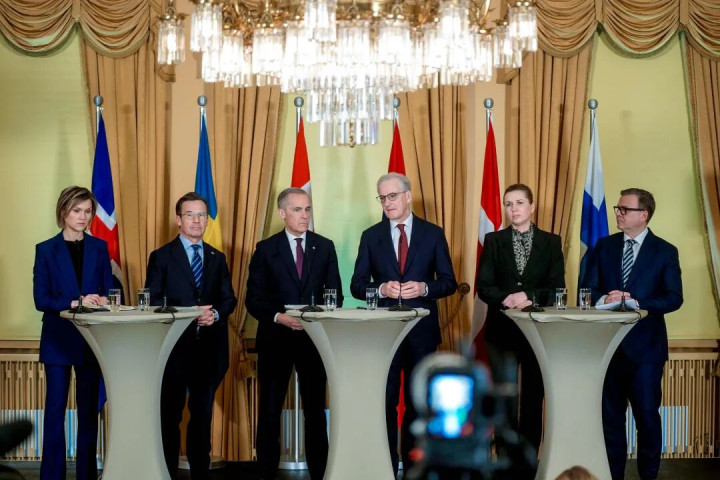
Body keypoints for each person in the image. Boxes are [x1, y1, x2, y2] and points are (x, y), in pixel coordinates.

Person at [350, 173, 458, 475]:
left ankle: (413, 469)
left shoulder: (433, 234)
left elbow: (448, 282)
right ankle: (385, 466)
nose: (387, 203)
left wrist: (424, 288)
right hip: (383, 334)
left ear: (408, 196)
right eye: (382, 198)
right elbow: (357, 285)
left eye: (392, 196)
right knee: (385, 402)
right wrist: (381, 289)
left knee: (417, 403)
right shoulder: (371, 236)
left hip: (421, 334)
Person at [583, 188, 682, 480]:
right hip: (607, 349)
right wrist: (606, 299)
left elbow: (673, 298)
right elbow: (587, 290)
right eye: (618, 208)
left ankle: (648, 476)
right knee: (610, 422)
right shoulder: (604, 246)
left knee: (647, 419)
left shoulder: (665, 251)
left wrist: (636, 302)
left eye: (625, 209)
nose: (618, 213)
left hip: (646, 352)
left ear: (644, 215)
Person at [245, 187, 343, 480]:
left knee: (315, 412)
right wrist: (280, 317)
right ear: (282, 213)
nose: (304, 215)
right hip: (276, 339)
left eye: (307, 209)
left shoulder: (324, 247)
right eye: (297, 209)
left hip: (313, 340)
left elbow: (335, 296)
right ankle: (265, 473)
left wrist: (314, 316)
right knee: (269, 410)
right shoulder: (266, 249)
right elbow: (253, 299)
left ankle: (321, 473)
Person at [145, 192, 237, 480]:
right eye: (190, 215)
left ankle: (200, 474)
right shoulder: (161, 256)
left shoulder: (217, 257)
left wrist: (215, 314)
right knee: (169, 418)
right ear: (178, 219)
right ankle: (167, 474)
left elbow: (229, 299)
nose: (197, 220)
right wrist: (188, 313)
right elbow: (152, 302)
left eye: (201, 215)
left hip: (208, 351)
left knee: (202, 418)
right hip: (174, 350)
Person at [475, 183, 565, 470]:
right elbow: (484, 286)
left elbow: (557, 289)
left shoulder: (551, 242)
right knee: (505, 397)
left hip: (537, 331)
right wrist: (507, 299)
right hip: (501, 332)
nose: (513, 209)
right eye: (508, 204)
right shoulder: (494, 240)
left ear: (532, 206)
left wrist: (529, 296)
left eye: (519, 203)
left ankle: (528, 461)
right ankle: (505, 460)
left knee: (533, 397)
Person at [33, 186, 113, 480]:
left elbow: (108, 291)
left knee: (88, 412)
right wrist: (75, 302)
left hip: (91, 340)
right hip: (58, 339)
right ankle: (51, 476)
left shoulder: (99, 248)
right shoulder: (45, 249)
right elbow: (41, 300)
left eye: (88, 211)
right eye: (77, 210)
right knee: (55, 411)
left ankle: (86, 475)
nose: (83, 217)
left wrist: (103, 299)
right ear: (63, 211)